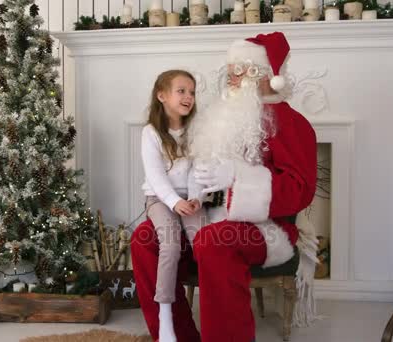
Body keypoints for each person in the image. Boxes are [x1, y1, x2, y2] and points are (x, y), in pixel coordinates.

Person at [132, 32, 318, 342]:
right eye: (231, 68)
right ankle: (175, 335)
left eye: (242, 68)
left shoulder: (291, 123)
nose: (231, 76)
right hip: (205, 218)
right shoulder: (218, 117)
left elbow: (300, 190)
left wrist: (237, 177)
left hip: (265, 228)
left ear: (267, 76)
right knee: (145, 238)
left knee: (215, 241)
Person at [139, 69, 207, 342]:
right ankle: (165, 319)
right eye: (181, 91)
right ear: (162, 95)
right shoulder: (151, 132)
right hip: (160, 199)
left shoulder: (196, 130)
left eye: (191, 92)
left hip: (189, 199)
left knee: (205, 243)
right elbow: (155, 176)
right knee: (170, 245)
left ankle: (213, 311)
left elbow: (198, 170)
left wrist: (195, 198)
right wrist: (174, 201)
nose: (188, 97)